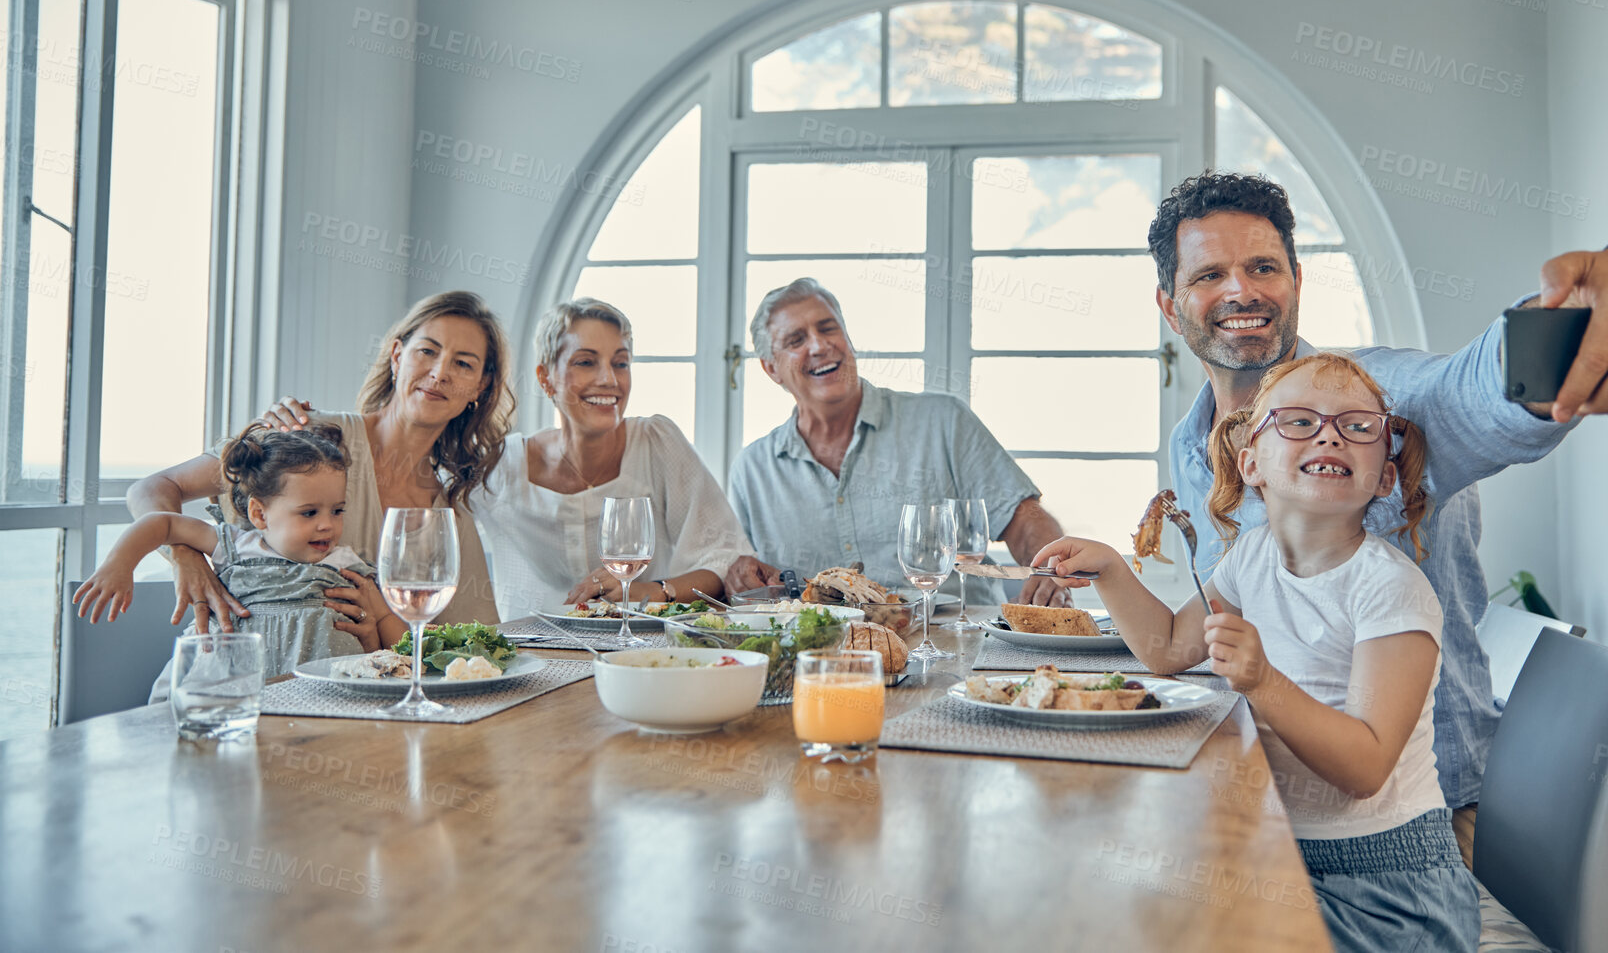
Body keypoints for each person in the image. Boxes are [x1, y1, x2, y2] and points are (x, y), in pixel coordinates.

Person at [1144, 171, 1608, 866]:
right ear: (1170, 306)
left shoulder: (1381, 407)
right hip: (1262, 799)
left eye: (1262, 267)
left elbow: (1477, 392)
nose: (1241, 291)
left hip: (1407, 829)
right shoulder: (1189, 444)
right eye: (1209, 274)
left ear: (1295, 281)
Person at [1038, 352, 1478, 953]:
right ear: (1251, 463)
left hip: (1388, 898)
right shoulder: (1253, 556)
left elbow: (1367, 767)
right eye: (1298, 421)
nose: (1329, 433)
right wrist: (1112, 570)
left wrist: (1262, 679)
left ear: (1384, 477)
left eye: (1358, 425)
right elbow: (1169, 648)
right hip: (1286, 862)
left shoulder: (1390, 589)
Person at [127, 291, 514, 631]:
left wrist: (377, 637)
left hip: (343, 701)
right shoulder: (309, 434)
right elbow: (154, 488)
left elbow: (466, 643)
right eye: (427, 351)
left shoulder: (448, 512)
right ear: (397, 357)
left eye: (463, 363)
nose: (439, 372)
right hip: (230, 676)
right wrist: (184, 556)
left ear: (480, 386)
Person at [724, 277, 1069, 605]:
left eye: (828, 328)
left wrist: (1049, 568)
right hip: (823, 659)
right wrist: (740, 575)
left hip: (958, 648)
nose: (818, 345)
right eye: (796, 340)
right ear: (771, 369)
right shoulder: (752, 470)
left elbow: (1025, 520)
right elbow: (741, 573)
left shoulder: (943, 422)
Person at [467, 298, 762, 619]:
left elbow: (725, 558)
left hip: (643, 654)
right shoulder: (501, 466)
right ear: (545, 377)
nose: (609, 379)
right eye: (585, 362)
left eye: (620, 363)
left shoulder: (657, 443)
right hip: (534, 654)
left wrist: (657, 590)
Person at [75, 424, 409, 701]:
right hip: (224, 696)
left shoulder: (347, 564)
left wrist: (387, 641)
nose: (327, 524)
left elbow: (389, 628)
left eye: (337, 511)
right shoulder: (235, 545)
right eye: (309, 513)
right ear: (259, 513)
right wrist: (119, 564)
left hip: (321, 702)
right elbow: (161, 522)